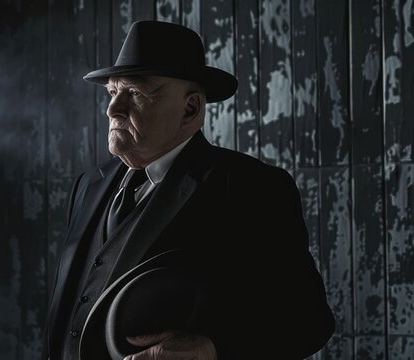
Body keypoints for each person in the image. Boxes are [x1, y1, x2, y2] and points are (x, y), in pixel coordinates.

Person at [42, 21, 334, 360]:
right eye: (112, 93)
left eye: (135, 93)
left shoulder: (250, 188)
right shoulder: (88, 185)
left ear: (190, 108)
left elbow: (309, 322)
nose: (113, 109)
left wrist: (214, 349)